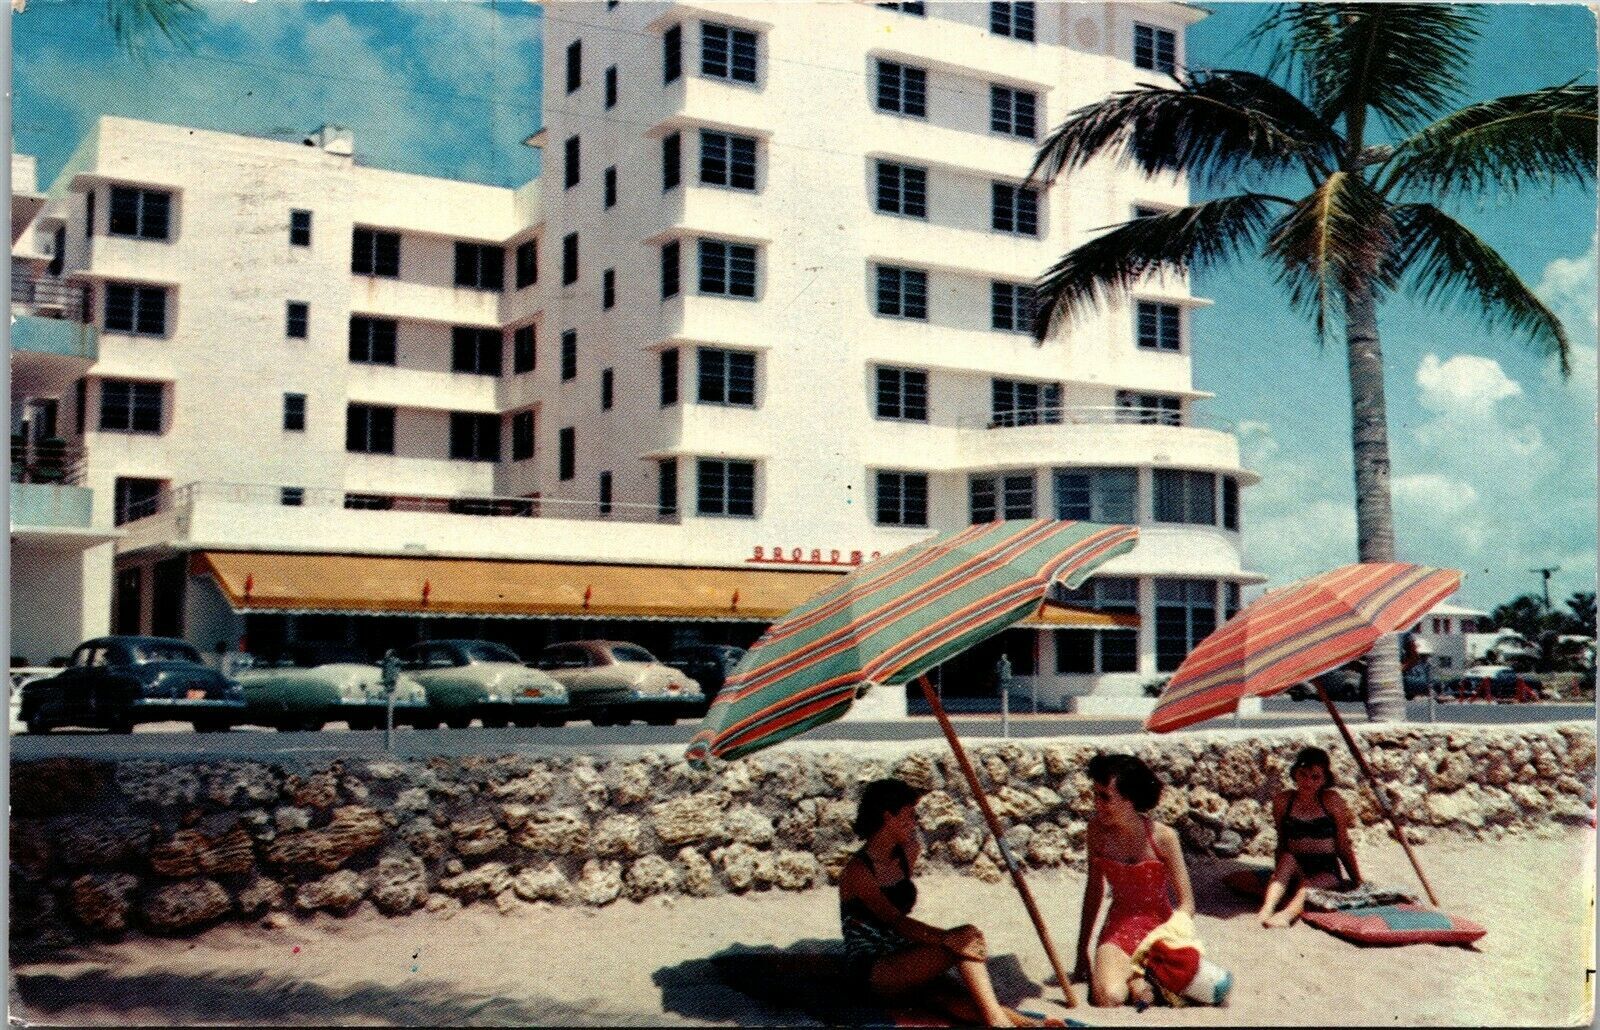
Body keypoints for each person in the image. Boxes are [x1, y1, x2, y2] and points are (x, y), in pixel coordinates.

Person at [838, 778, 1060, 1028]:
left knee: (955, 998)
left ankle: (1027, 1025)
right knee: (965, 939)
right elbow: (896, 921)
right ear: (888, 817)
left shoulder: (908, 852)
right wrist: (946, 938)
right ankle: (1000, 1024)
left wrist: (947, 940)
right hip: (874, 971)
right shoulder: (857, 872)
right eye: (909, 815)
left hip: (904, 956)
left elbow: (901, 908)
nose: (915, 823)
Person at [1073, 753, 1195, 1008]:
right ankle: (1138, 981)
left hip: (1160, 928)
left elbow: (1186, 904)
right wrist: (1081, 950)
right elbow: (1094, 891)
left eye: (1105, 797)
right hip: (1119, 924)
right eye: (1095, 795)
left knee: (1146, 990)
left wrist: (1169, 939)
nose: (1097, 803)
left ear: (1130, 799)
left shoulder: (1163, 837)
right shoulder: (1096, 832)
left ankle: (1139, 981)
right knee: (1108, 997)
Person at [1257, 745, 1362, 928]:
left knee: (1306, 888)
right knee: (1287, 858)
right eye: (1303, 774)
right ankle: (1267, 908)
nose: (1308, 782)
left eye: (1315, 777)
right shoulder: (1284, 801)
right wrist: (1279, 874)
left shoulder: (1331, 801)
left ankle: (1286, 915)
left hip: (1325, 867)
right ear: (1295, 773)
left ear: (1324, 780)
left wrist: (1356, 879)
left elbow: (1343, 845)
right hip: (1295, 862)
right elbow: (1282, 840)